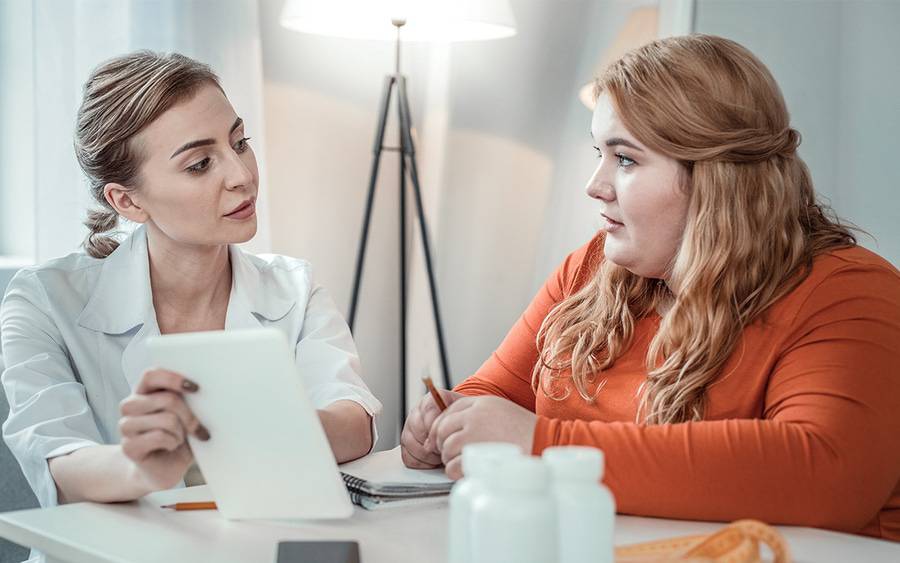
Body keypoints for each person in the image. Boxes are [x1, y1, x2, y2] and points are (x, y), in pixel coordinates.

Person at [401, 35, 900, 540]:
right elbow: (491, 396)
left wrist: (542, 445)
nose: (594, 185)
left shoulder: (850, 292)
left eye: (625, 160)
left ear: (716, 180)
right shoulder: (591, 268)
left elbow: (826, 473)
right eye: (600, 152)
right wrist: (448, 424)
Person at [1, 52, 381, 511]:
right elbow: (59, 465)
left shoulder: (293, 288)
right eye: (200, 164)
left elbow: (354, 425)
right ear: (128, 201)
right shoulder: (43, 301)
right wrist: (139, 467)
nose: (242, 176)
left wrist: (248, 423)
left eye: (239, 143)